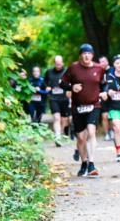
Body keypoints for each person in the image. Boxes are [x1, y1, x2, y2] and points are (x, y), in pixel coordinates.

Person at [60, 44, 106, 177]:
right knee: (80, 138)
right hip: (77, 107)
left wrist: (105, 92)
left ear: (92, 55)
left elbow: (104, 83)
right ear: (81, 55)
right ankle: (84, 163)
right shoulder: (73, 68)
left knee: (91, 132)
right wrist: (71, 86)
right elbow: (61, 83)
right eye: (84, 53)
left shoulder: (99, 68)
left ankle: (91, 163)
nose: (86, 56)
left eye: (89, 53)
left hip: (94, 105)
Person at [103, 55, 120, 163]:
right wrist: (108, 92)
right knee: (117, 129)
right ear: (113, 64)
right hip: (114, 107)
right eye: (117, 63)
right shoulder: (109, 76)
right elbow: (107, 88)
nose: (119, 65)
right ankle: (118, 153)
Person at [44, 56, 70, 147]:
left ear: (62, 63)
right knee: (56, 118)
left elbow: (72, 81)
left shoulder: (67, 71)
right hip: (53, 98)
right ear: (54, 63)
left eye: (59, 63)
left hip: (64, 98)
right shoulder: (49, 72)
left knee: (64, 120)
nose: (58, 65)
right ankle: (57, 137)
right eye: (56, 63)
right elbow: (45, 81)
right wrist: (47, 87)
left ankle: (60, 133)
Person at [97, 55, 112, 141]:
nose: (101, 63)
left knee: (112, 116)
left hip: (113, 96)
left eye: (103, 61)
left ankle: (112, 131)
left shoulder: (113, 70)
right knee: (104, 116)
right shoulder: (98, 72)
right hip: (102, 97)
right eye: (100, 62)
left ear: (107, 62)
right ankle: (106, 134)